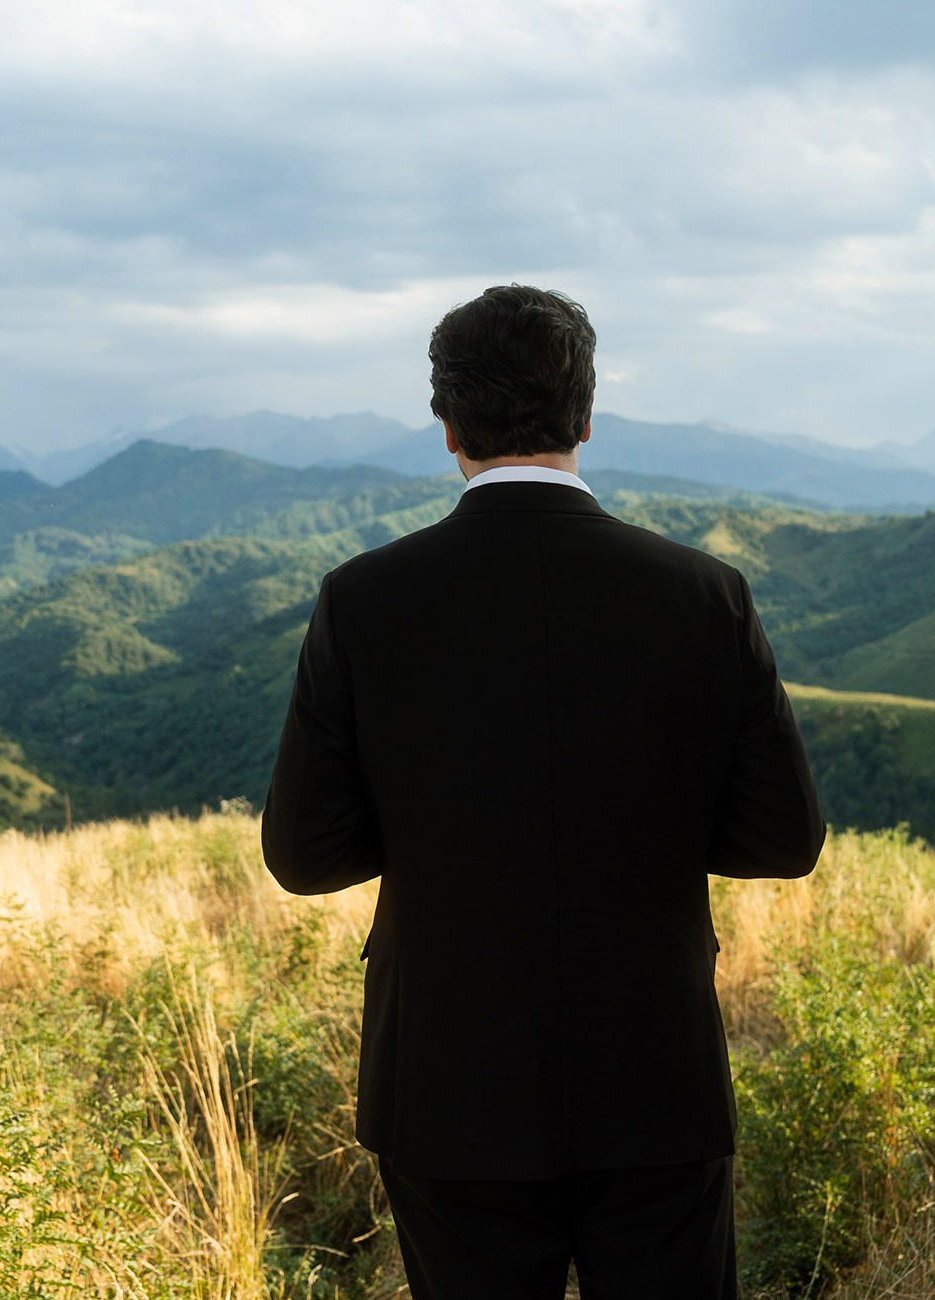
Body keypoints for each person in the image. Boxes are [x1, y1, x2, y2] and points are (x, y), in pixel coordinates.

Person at [260, 284, 826, 1298]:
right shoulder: (703, 593)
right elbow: (782, 836)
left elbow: (303, 855)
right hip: (655, 1071)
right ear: (586, 416)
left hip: (445, 1073)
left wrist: (433, 821)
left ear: (446, 427)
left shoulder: (364, 598)